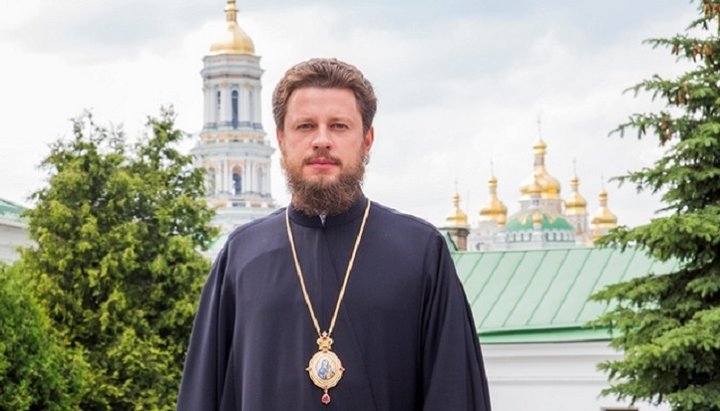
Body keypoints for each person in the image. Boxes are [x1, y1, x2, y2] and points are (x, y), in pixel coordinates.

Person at [176, 58, 492, 410]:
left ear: (367, 139)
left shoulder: (420, 253)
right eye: (306, 126)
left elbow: (453, 392)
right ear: (281, 139)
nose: (322, 141)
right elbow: (202, 397)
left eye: (339, 126)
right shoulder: (242, 258)